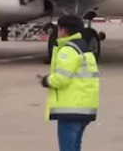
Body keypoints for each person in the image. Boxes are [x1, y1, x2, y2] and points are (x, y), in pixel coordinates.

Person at [38, 15, 100, 151]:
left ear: (63, 31)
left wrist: (46, 80)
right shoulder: (85, 48)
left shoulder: (68, 50)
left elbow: (61, 79)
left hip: (71, 109)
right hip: (85, 107)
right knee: (75, 147)